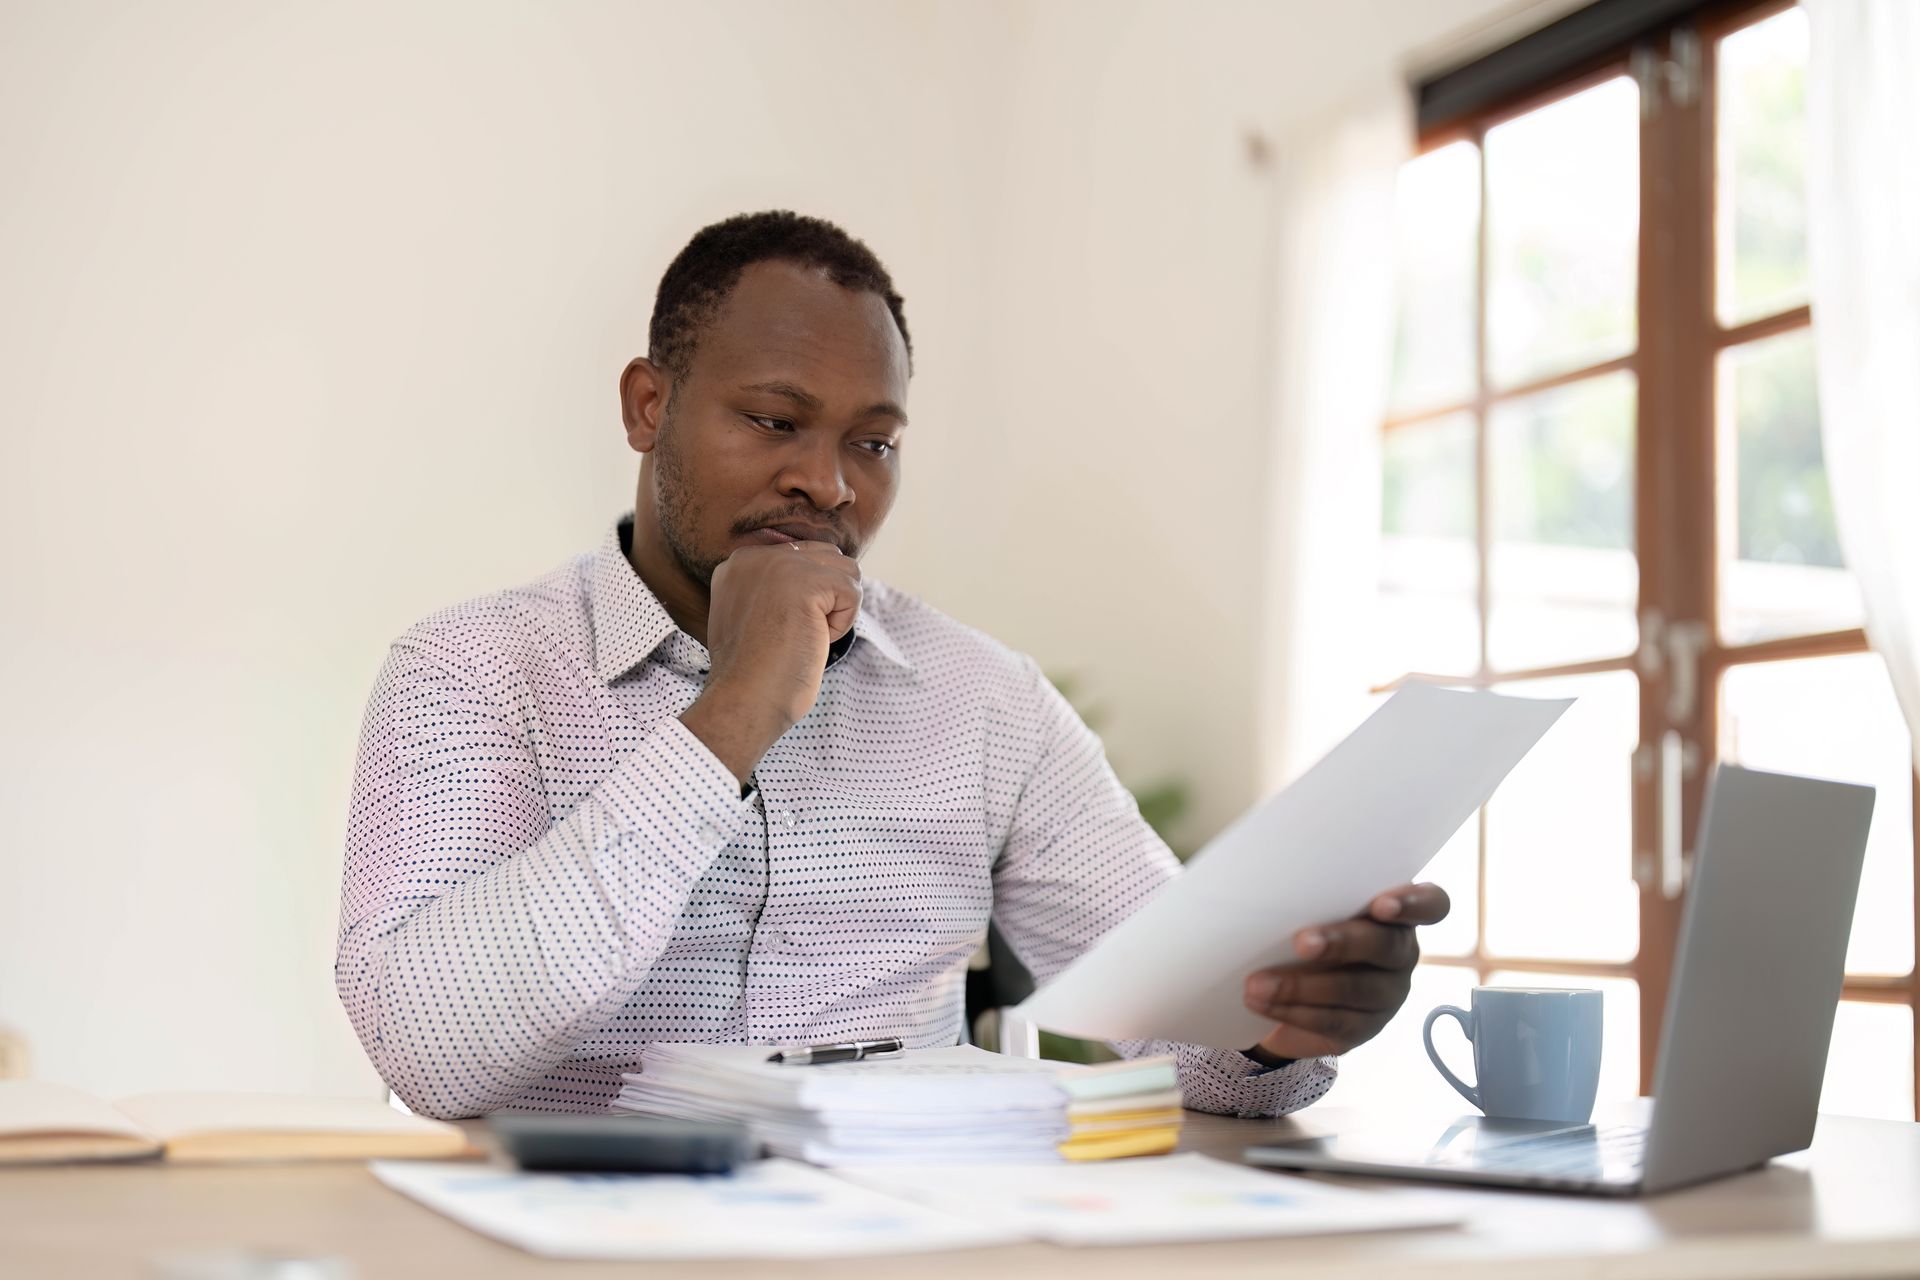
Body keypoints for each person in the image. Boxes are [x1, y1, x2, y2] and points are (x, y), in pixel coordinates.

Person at [334, 210, 1448, 1120]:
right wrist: (735, 710)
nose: (828, 483)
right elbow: (432, 1049)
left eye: (873, 443)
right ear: (648, 404)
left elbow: (1188, 1038)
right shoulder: (470, 671)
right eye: (776, 420)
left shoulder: (987, 701)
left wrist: (1271, 1019)